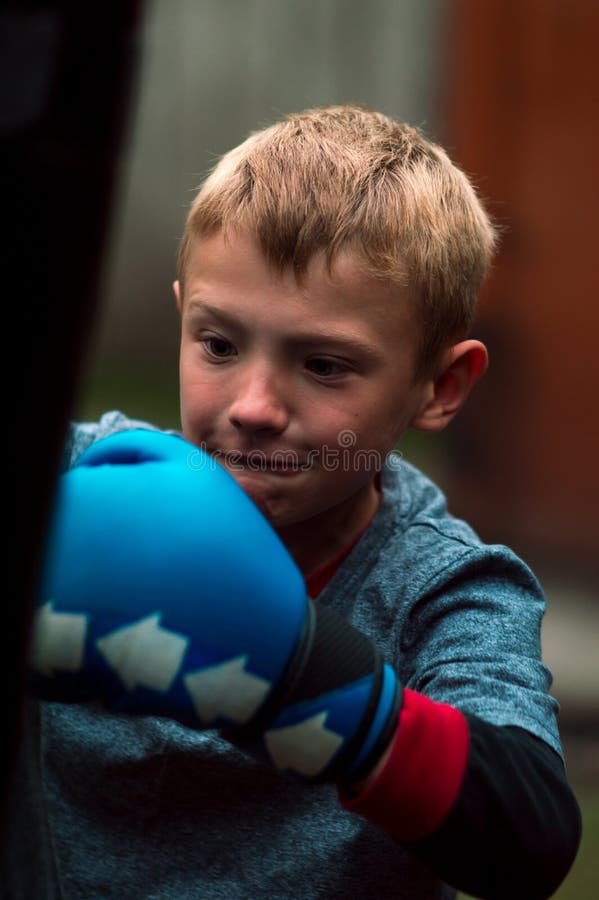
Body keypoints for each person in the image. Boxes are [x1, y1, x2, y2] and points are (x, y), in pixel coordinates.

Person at [22, 105, 581, 899]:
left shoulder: (441, 591)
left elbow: (532, 839)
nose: (253, 405)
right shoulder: (72, 486)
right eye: (218, 344)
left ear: (440, 386)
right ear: (183, 317)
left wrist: (310, 686)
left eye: (322, 365)